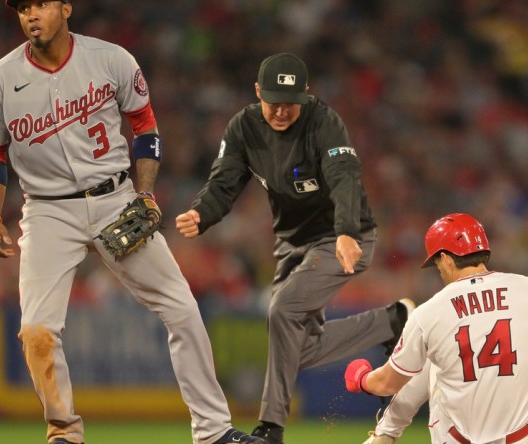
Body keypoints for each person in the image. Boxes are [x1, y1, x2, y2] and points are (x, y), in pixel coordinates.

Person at [0, 1, 266, 443]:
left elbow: (145, 129)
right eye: (23, 7)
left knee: (182, 309)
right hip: (49, 211)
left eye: (42, 4)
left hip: (115, 200)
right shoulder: (0, 78)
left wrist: (144, 194)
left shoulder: (110, 59)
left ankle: (213, 431)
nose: (31, 14)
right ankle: (63, 432)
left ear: (66, 7)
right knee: (36, 330)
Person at [175, 52, 414, 444]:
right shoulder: (244, 127)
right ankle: (390, 322)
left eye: (290, 102)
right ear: (257, 92)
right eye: (273, 101)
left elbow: (344, 176)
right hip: (292, 245)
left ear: (306, 93)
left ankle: (271, 428)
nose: (282, 111)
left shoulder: (323, 121)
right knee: (293, 352)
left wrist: (347, 231)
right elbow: (224, 182)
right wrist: (203, 213)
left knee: (282, 310)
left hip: (342, 237)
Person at [345, 213, 528, 444]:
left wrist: (361, 378)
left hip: (453, 440)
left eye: (436, 263)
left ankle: (384, 436)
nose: (438, 270)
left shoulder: (428, 312)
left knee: (430, 362)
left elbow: (386, 384)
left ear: (446, 258)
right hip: (522, 440)